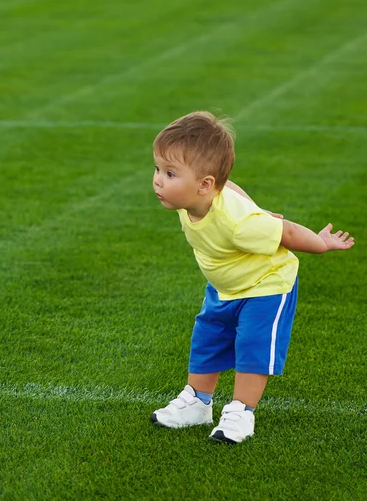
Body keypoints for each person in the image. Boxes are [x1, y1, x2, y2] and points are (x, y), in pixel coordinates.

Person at [150, 111, 354, 444]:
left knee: (252, 346)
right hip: (225, 286)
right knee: (208, 338)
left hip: (266, 286)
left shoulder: (237, 222)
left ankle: (241, 412)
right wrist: (251, 205)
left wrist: (320, 243)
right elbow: (227, 184)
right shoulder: (192, 200)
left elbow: (286, 230)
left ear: (204, 185)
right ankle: (198, 403)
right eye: (158, 169)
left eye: (170, 173)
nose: (158, 179)